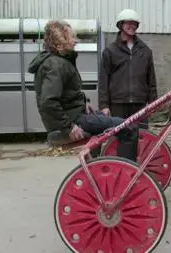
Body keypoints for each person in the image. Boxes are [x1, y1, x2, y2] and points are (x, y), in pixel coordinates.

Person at [28, 20, 138, 160]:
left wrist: (83, 103)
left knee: (108, 122)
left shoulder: (59, 61)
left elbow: (66, 93)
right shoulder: (55, 64)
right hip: (73, 120)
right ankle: (128, 172)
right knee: (128, 127)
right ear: (60, 41)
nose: (75, 41)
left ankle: (96, 166)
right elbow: (48, 101)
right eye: (71, 38)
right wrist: (69, 127)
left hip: (75, 115)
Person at [98, 9, 157, 129]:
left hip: (139, 104)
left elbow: (151, 79)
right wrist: (104, 106)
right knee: (119, 139)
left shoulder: (145, 51)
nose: (132, 26)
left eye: (134, 23)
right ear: (120, 25)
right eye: (128, 23)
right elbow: (103, 81)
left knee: (140, 138)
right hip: (117, 104)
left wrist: (153, 102)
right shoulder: (110, 51)